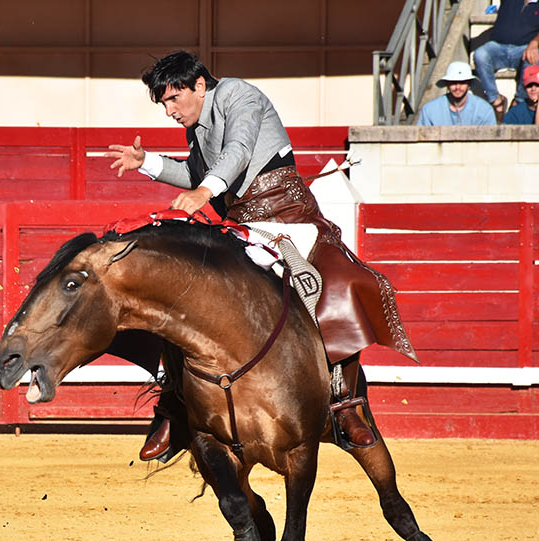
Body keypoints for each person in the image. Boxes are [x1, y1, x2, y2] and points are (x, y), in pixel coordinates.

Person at [105, 50, 417, 461]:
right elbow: (199, 173)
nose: (169, 111)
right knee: (186, 293)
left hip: (289, 216)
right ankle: (176, 402)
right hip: (240, 226)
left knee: (331, 283)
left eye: (173, 99)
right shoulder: (196, 129)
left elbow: (237, 151)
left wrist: (204, 192)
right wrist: (148, 162)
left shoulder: (239, 95)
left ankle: (344, 403)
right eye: (163, 104)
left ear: (199, 85)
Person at [473, 0, 539, 120]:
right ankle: (496, 100)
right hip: (498, 47)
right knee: (480, 54)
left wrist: (534, 43)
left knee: (534, 58)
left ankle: (518, 101)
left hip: (523, 49)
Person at [416, 62, 497, 125]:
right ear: (447, 83)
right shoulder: (430, 110)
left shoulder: (484, 110)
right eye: (453, 82)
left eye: (462, 82)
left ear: (469, 84)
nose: (458, 87)